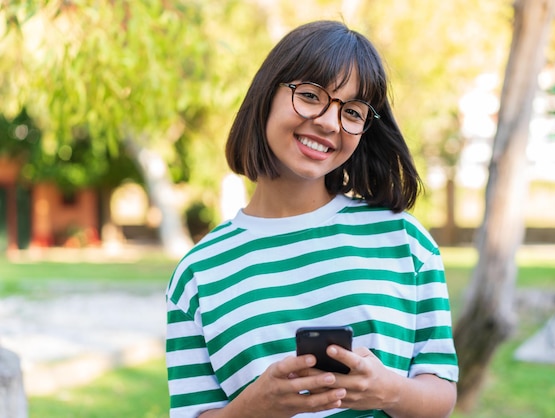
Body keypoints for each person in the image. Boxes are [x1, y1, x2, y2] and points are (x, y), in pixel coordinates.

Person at [166, 20, 458, 418]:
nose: (328, 122)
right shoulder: (199, 273)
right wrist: (255, 409)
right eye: (310, 95)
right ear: (267, 94)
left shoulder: (405, 242)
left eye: (352, 112)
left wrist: (388, 391)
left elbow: (440, 393)